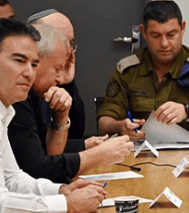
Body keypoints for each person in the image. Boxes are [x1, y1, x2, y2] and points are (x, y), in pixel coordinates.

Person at [0, 18, 107, 213]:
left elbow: (13, 179)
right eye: (19, 61)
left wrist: (61, 190)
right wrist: (67, 204)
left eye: (33, 64)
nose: (29, 73)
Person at [7, 23, 133, 183]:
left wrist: (61, 116)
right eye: (58, 68)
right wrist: (99, 155)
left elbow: (48, 151)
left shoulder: (33, 94)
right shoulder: (16, 96)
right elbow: (38, 170)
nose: (61, 79)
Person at [97, 0, 189, 141]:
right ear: (144, 32)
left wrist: (186, 111)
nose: (164, 43)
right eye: (156, 36)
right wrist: (120, 127)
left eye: (171, 34)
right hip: (141, 150)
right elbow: (104, 122)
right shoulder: (128, 70)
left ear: (182, 28)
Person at [27, 9, 86, 140]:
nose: (68, 51)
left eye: (70, 43)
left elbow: (75, 134)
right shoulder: (23, 86)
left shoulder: (57, 77)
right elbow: (38, 147)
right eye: (59, 39)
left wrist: (68, 83)